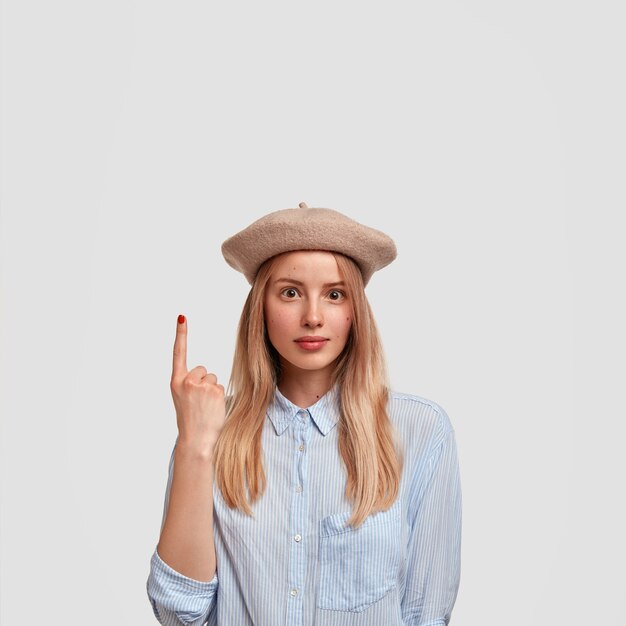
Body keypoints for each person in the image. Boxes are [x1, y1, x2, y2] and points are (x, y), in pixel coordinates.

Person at [146, 202, 462, 626]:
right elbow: (178, 614)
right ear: (261, 306)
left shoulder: (420, 431)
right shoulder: (210, 431)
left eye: (334, 294)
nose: (313, 317)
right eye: (290, 292)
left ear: (355, 312)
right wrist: (194, 446)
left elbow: (426, 615)